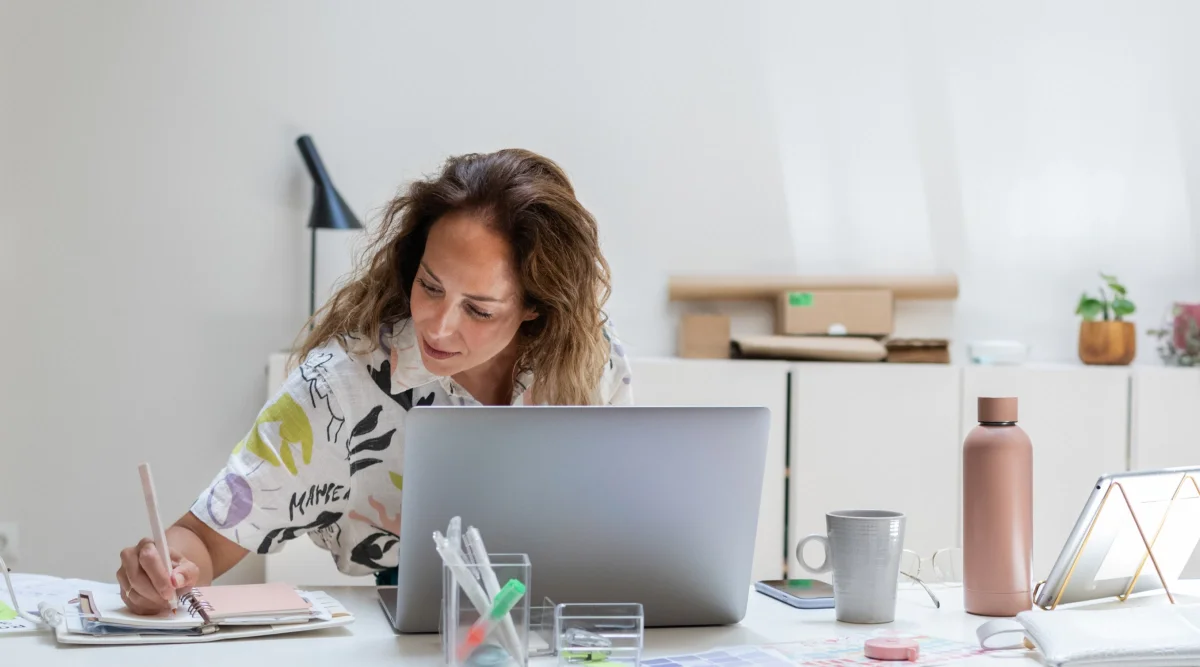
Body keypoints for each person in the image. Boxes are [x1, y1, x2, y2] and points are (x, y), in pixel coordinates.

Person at [115, 149, 633, 614]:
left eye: (478, 309)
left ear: (536, 307)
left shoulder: (589, 355)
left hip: (571, 618)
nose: (439, 326)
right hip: (415, 627)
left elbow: (622, 519)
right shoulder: (338, 388)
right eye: (430, 286)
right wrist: (166, 570)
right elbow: (203, 539)